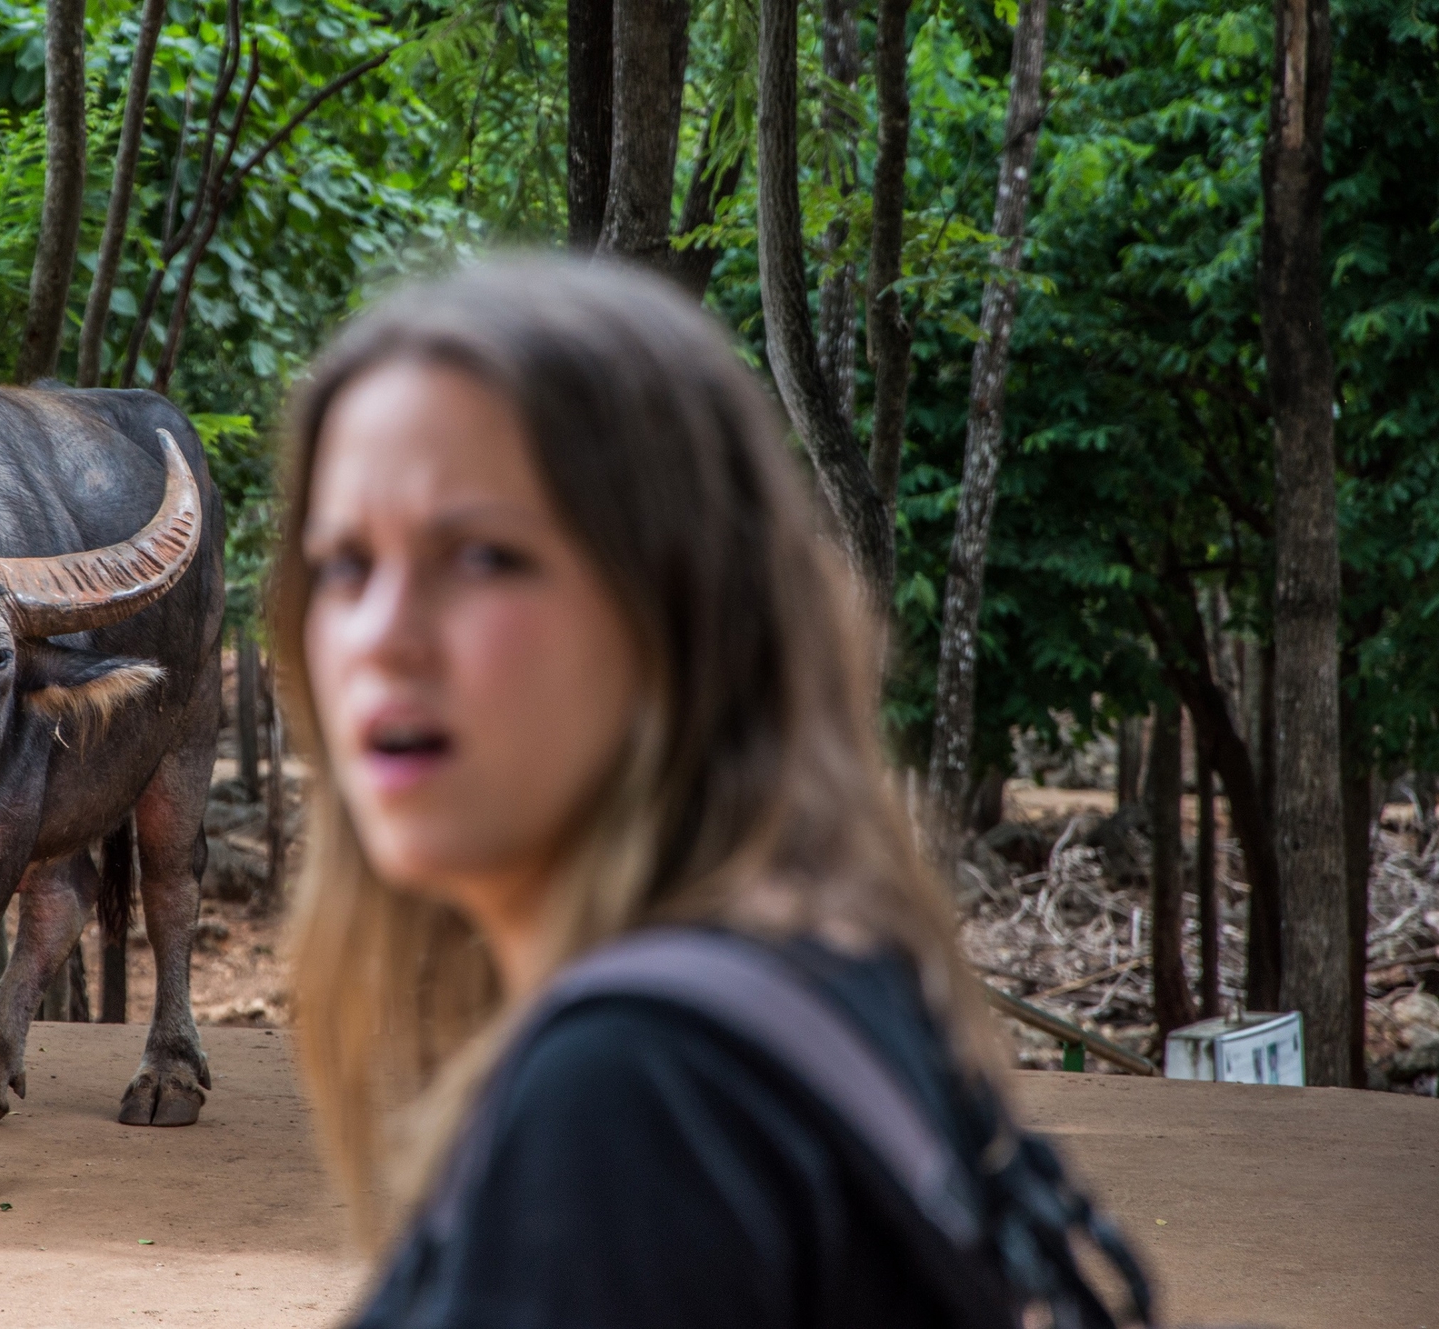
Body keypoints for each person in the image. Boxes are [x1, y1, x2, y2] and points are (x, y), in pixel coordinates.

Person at [270, 257, 1148, 1328]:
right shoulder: (828, 969)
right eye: (346, 564)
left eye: (484, 556)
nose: (382, 637)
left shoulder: (630, 1097)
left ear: (678, 611)